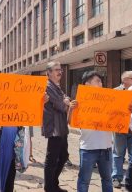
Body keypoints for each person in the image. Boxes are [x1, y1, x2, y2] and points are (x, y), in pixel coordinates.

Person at [76, 71, 116, 192]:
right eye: (97, 81)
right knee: (84, 180)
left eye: (101, 81)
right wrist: (72, 109)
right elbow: (71, 122)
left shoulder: (110, 100)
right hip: (88, 148)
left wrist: (127, 108)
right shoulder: (80, 101)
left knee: (107, 179)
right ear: (87, 84)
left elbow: (119, 117)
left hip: (106, 148)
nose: (101, 83)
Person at [42, 61, 77, 192]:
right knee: (52, 158)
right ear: (48, 73)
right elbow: (57, 103)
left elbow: (63, 97)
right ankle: (50, 186)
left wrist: (66, 99)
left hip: (61, 126)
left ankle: (52, 183)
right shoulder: (47, 85)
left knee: (63, 155)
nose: (60, 72)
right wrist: (66, 103)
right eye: (56, 70)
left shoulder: (56, 85)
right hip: (54, 127)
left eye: (60, 69)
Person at [112, 71, 132, 189]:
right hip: (120, 128)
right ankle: (116, 177)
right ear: (125, 80)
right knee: (118, 153)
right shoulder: (115, 92)